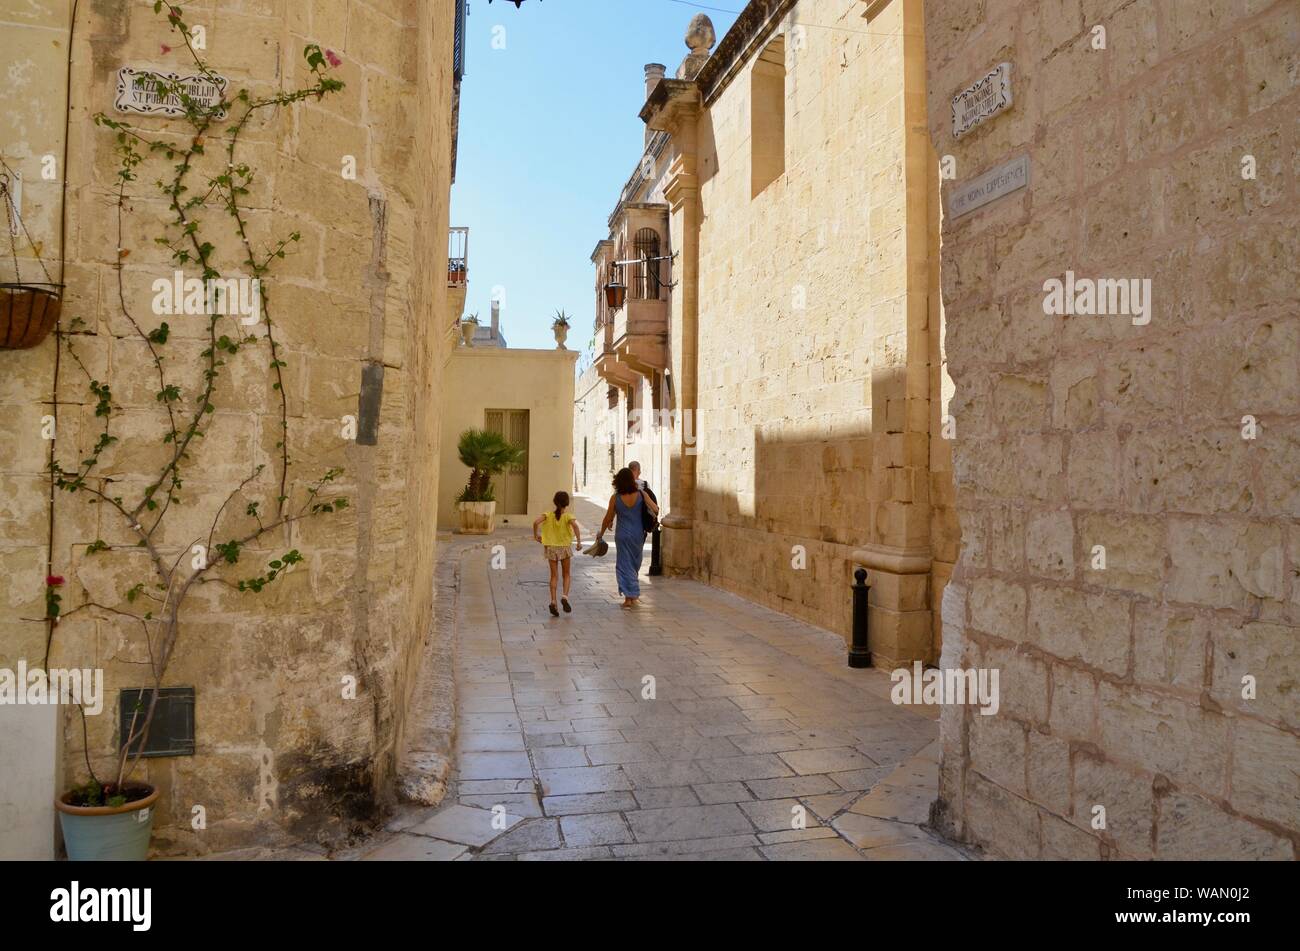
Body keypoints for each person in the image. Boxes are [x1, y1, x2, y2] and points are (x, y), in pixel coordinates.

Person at [598, 467, 658, 608]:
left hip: (622, 535)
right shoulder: (641, 494)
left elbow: (608, 518)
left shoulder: (616, 498)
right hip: (638, 534)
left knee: (624, 565)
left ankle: (629, 598)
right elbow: (655, 509)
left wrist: (601, 533)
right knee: (634, 563)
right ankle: (632, 595)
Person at [533, 491, 582, 616]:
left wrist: (536, 536)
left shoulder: (548, 515)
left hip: (551, 549)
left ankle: (553, 601)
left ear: (555, 502)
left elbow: (535, 522)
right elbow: (576, 527)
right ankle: (564, 596)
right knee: (566, 574)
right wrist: (578, 542)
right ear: (567, 503)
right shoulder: (568, 516)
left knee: (553, 576)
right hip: (564, 548)